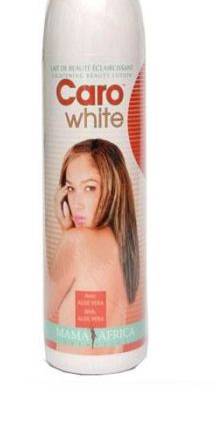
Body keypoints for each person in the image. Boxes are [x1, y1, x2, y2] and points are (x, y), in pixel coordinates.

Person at [47, 139, 140, 354]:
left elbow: (48, 305)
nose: (76, 203)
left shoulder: (76, 241)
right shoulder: (124, 247)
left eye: (89, 188)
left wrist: (66, 233)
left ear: (114, 188)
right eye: (71, 188)